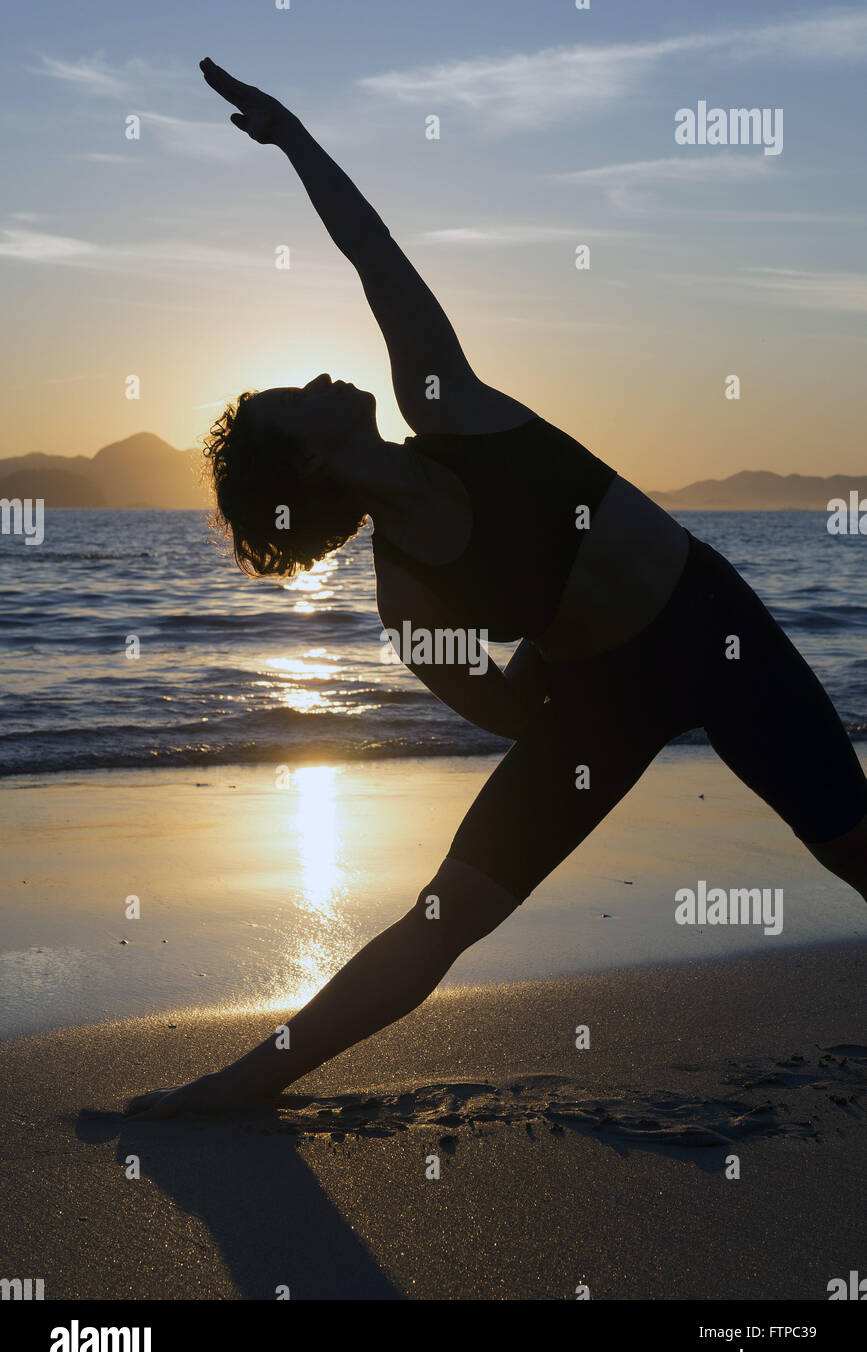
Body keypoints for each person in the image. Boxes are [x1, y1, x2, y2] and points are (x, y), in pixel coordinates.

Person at [126, 60, 867, 1120]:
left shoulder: (448, 404)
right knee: (446, 915)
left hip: (715, 626)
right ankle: (241, 1081)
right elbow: (506, 712)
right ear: (308, 462)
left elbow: (369, 250)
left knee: (853, 846)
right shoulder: (409, 602)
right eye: (294, 397)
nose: (317, 376)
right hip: (604, 696)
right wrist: (565, 717)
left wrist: (293, 137)